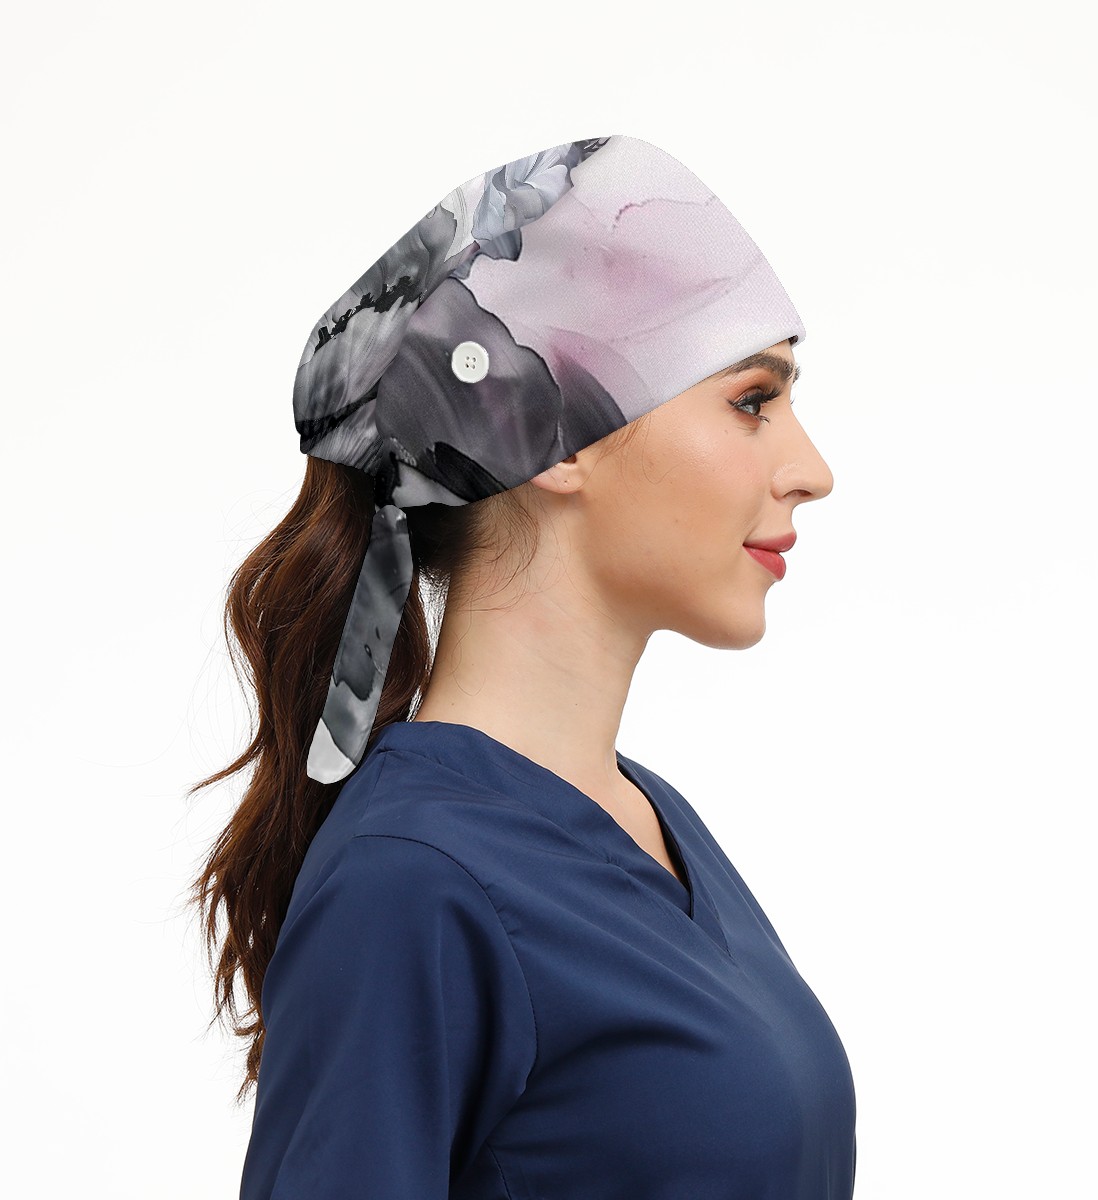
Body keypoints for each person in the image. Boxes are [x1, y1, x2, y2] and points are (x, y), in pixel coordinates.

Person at [189, 134, 857, 1198]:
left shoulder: (648, 820)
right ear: (552, 432)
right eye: (751, 400)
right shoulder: (412, 881)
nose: (810, 470)